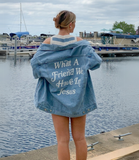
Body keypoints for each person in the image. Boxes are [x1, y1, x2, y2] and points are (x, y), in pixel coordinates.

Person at [31, 10, 102, 160]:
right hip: (79, 97)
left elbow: (35, 66)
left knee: (62, 141)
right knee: (80, 138)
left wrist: (50, 72)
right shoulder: (80, 43)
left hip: (56, 96)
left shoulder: (48, 43)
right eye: (74, 23)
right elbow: (96, 62)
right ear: (71, 25)